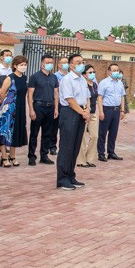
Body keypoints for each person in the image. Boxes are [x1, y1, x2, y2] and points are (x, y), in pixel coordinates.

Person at [55, 54, 89, 190]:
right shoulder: (67, 79)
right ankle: (62, 178)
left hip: (80, 112)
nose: (81, 64)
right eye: (78, 62)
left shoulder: (82, 79)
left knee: (75, 146)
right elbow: (70, 99)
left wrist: (86, 111)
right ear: (71, 65)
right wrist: (82, 112)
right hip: (69, 113)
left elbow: (86, 98)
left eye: (82, 62)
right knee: (67, 146)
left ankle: (70, 175)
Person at [0, 55, 29, 166]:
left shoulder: (24, 78)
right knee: (5, 131)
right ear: (15, 66)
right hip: (9, 108)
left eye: (25, 65)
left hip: (20, 107)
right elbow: (2, 92)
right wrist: (2, 102)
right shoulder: (10, 78)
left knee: (15, 131)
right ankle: (4, 156)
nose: (23, 67)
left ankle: (12, 155)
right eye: (21, 65)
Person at [27, 54, 59, 166]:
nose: (50, 64)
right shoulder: (34, 77)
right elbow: (30, 94)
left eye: (51, 62)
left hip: (50, 107)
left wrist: (56, 108)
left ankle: (44, 156)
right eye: (47, 62)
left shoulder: (54, 77)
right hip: (38, 106)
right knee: (34, 133)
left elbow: (56, 93)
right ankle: (31, 156)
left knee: (47, 133)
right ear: (42, 64)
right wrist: (31, 109)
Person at [96, 64, 127, 161]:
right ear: (109, 71)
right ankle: (101, 153)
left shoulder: (120, 83)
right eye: (114, 70)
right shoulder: (104, 82)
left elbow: (122, 97)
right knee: (103, 132)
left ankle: (111, 152)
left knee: (113, 132)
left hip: (116, 110)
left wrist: (122, 110)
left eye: (117, 70)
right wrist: (101, 111)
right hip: (107, 109)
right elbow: (100, 97)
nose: (116, 72)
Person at [77, 64, 100, 168]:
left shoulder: (94, 84)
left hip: (93, 113)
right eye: (90, 72)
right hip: (84, 112)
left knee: (94, 136)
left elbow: (96, 98)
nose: (92, 74)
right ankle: (81, 160)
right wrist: (86, 110)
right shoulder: (82, 84)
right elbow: (84, 98)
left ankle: (90, 159)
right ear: (84, 75)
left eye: (94, 72)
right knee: (81, 137)